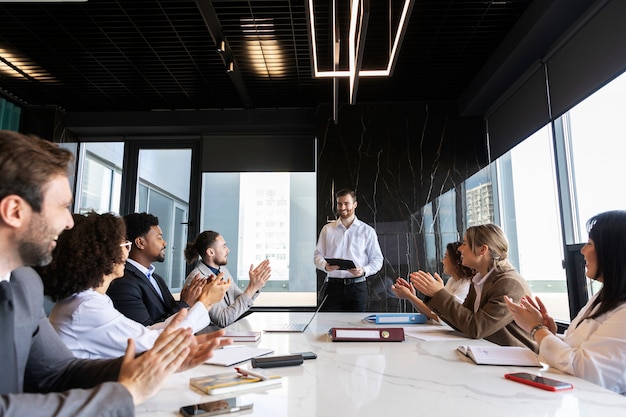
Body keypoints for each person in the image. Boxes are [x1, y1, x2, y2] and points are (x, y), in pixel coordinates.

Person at [0, 130, 227, 416]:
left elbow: (57, 372)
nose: (69, 222)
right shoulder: (78, 303)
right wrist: (126, 392)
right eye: (61, 207)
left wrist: (155, 363)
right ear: (14, 211)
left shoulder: (23, 284)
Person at [41, 212, 229, 359]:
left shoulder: (92, 302)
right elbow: (153, 343)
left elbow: (146, 333)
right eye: (123, 244)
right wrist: (203, 304)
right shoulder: (85, 308)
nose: (127, 250)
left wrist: (203, 303)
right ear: (100, 254)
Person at [505, 210, 626, 395]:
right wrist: (551, 334)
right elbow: (582, 348)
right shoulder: (604, 297)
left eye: (589, 244)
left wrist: (537, 329)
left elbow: (587, 370)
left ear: (613, 252)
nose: (583, 250)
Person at [411, 224, 536, 350]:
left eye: (465, 243)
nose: (460, 248)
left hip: (515, 361)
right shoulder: (479, 280)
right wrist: (435, 294)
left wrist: (439, 293)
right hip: (489, 353)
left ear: (482, 250)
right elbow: (462, 322)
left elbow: (477, 327)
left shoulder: (509, 284)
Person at [107, 212, 229, 327]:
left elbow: (168, 313)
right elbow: (148, 332)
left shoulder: (157, 279)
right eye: (159, 238)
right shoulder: (123, 283)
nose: (164, 243)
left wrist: (197, 296)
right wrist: (185, 304)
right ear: (140, 243)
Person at [314, 188, 384, 311]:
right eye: (339, 204)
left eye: (346, 203)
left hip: (357, 288)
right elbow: (317, 255)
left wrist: (363, 271)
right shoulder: (327, 229)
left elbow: (377, 260)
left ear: (355, 204)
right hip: (332, 287)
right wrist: (325, 266)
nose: (342, 207)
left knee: (356, 327)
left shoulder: (367, 231)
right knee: (327, 325)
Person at [183, 230, 271, 327]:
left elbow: (239, 299)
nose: (228, 250)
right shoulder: (198, 279)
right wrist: (252, 288)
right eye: (224, 246)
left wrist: (255, 284)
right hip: (210, 338)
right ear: (210, 252)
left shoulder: (223, 271)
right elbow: (222, 319)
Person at [391, 241, 473, 320]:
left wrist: (410, 296)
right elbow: (432, 313)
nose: (442, 261)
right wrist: (411, 296)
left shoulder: (466, 285)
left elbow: (440, 317)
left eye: (445, 257)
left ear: (457, 262)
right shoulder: (452, 280)